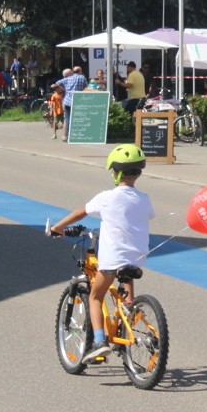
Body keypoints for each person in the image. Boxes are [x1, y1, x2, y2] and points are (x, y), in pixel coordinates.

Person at [48, 144, 155, 362]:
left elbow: (80, 214)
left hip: (112, 260)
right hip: (138, 258)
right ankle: (130, 307)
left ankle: (99, 342)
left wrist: (58, 228)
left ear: (115, 173)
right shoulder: (144, 198)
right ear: (139, 173)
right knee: (126, 276)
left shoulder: (107, 197)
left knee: (96, 296)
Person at [58, 67, 88, 140]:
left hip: (67, 100)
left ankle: (65, 136)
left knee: (67, 119)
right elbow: (86, 87)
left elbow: (58, 83)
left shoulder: (69, 78)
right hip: (78, 100)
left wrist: (65, 89)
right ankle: (77, 135)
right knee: (79, 118)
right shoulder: (82, 78)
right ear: (80, 71)